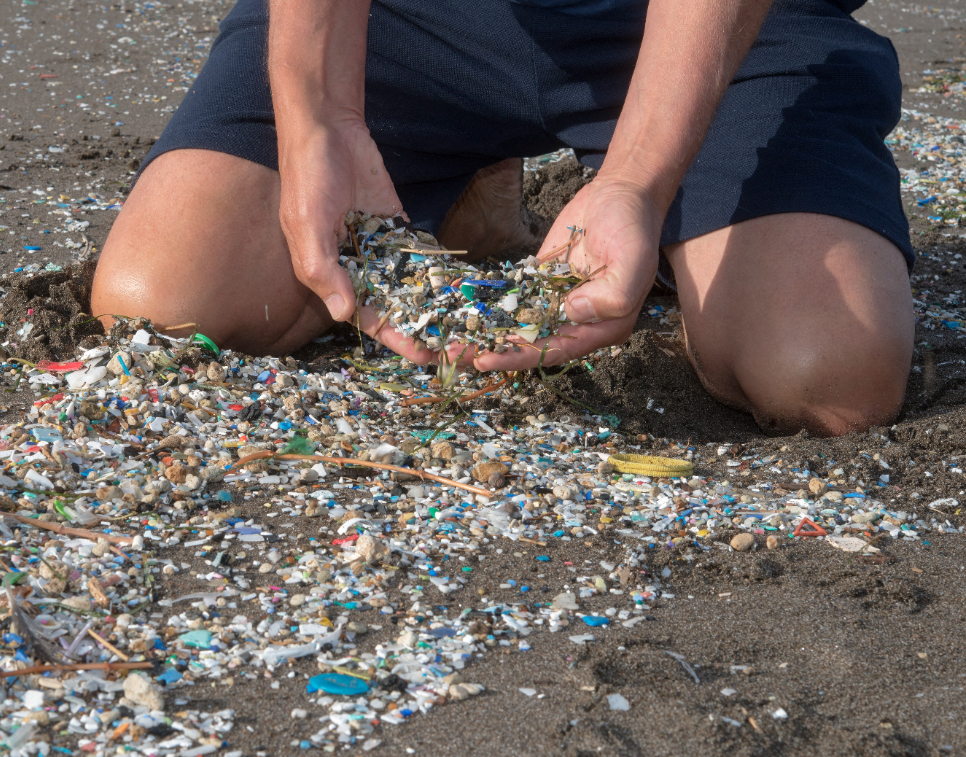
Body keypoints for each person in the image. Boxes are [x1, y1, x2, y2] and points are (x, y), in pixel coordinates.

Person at [90, 0, 914, 437]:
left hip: (726, 29)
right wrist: (321, 123)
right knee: (161, 300)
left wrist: (637, 181)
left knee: (824, 377)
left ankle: (675, 242)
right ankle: (469, 189)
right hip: (418, 18)